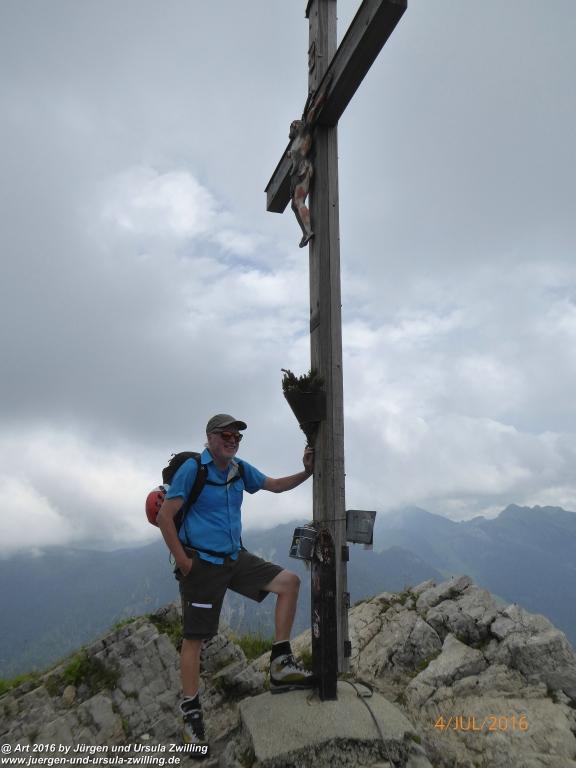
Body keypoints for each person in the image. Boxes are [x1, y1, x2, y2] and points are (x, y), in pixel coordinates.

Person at [157, 413, 315, 748]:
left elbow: (272, 485)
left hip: (234, 557)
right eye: (226, 435)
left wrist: (307, 471)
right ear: (210, 438)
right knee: (194, 639)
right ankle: (191, 714)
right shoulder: (193, 470)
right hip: (202, 564)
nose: (232, 440)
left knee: (289, 583)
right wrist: (185, 562)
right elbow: (164, 517)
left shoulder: (239, 469)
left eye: (237, 437)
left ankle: (281, 664)